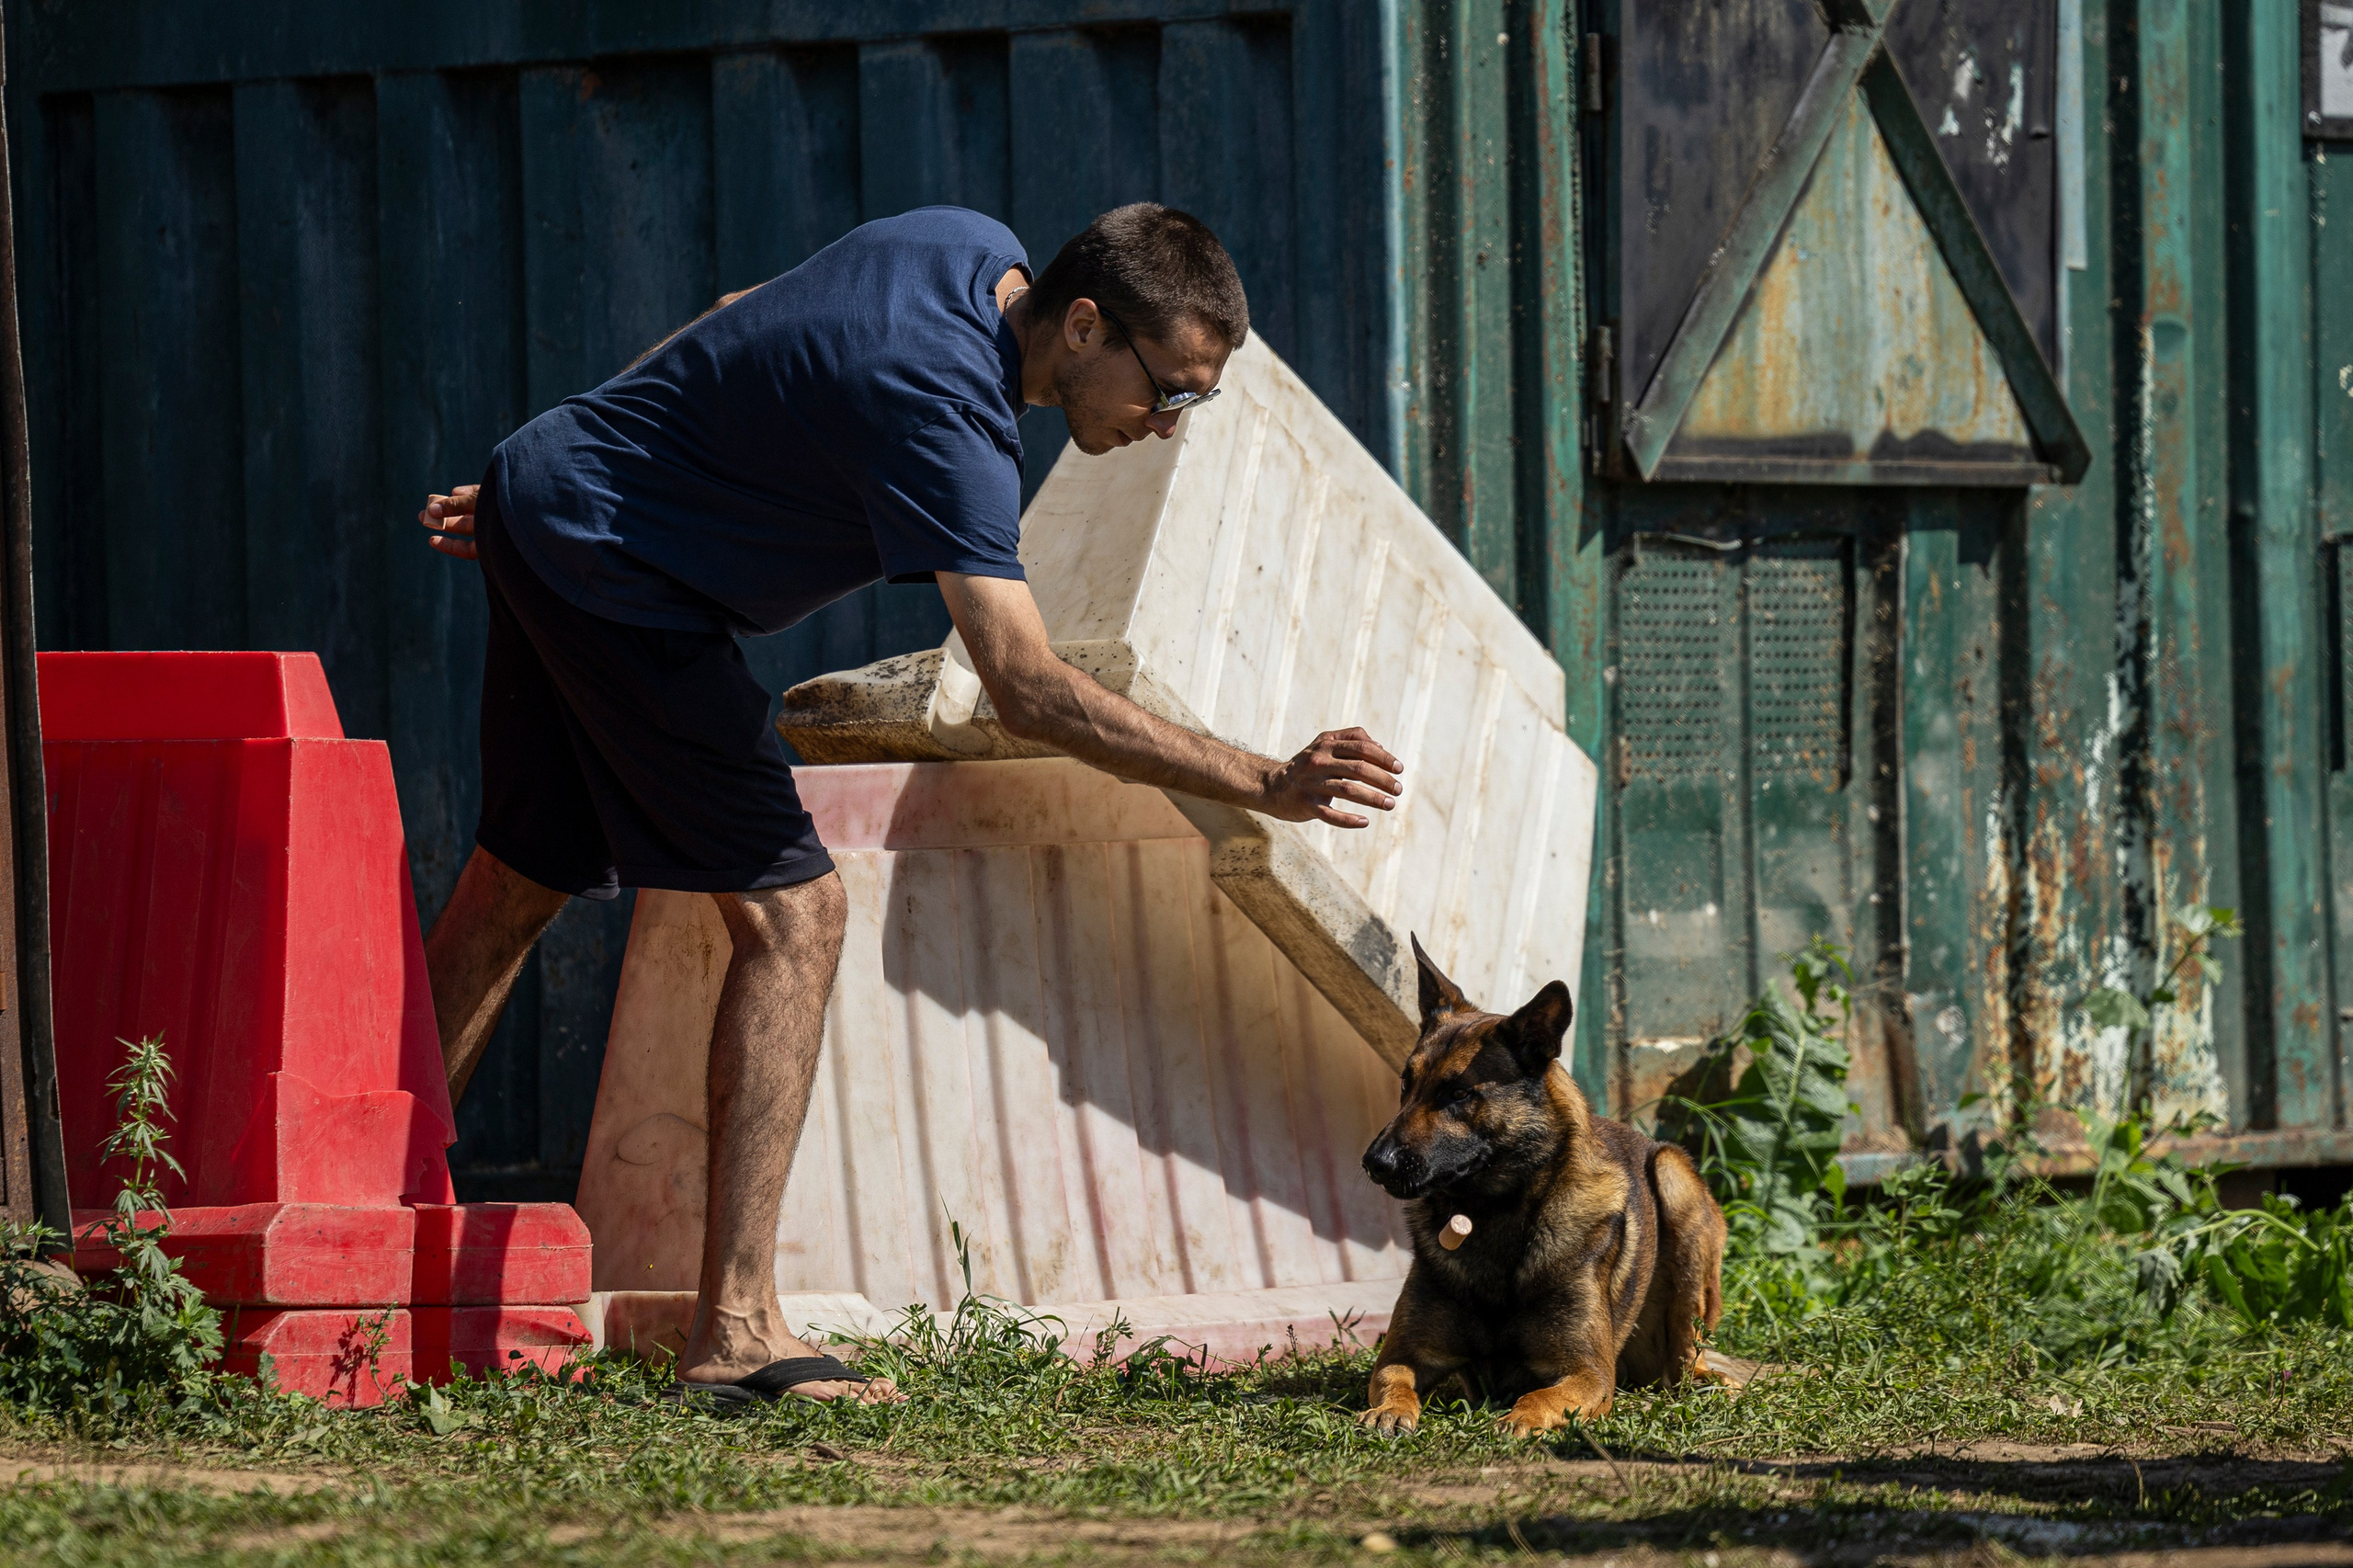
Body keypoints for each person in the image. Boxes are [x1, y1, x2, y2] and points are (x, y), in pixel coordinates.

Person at [415, 202, 1404, 1408]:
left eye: (1192, 402)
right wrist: (1265, 781)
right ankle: (737, 1331)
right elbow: (1025, 685)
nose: (1167, 426)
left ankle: (366, 1230)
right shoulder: (951, 417)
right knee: (798, 918)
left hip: (550, 493)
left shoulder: (963, 244)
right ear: (1083, 325)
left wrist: (583, 455)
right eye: (1168, 392)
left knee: (519, 876)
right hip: (620, 576)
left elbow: (740, 316)